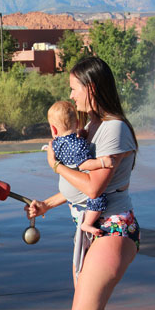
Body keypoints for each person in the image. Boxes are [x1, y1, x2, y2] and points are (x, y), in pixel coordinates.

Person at [27, 57, 140, 310]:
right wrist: (49, 202)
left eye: (74, 87)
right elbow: (79, 189)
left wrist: (56, 166)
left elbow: (93, 186)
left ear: (91, 87)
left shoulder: (114, 129)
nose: (70, 94)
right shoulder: (90, 126)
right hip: (91, 230)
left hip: (113, 229)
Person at [47, 100, 114, 236]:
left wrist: (82, 137)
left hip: (68, 195)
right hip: (79, 194)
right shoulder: (77, 144)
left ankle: (79, 214)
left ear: (53, 129)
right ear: (77, 123)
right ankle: (88, 223)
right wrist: (102, 162)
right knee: (99, 198)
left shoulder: (56, 144)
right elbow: (84, 164)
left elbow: (70, 156)